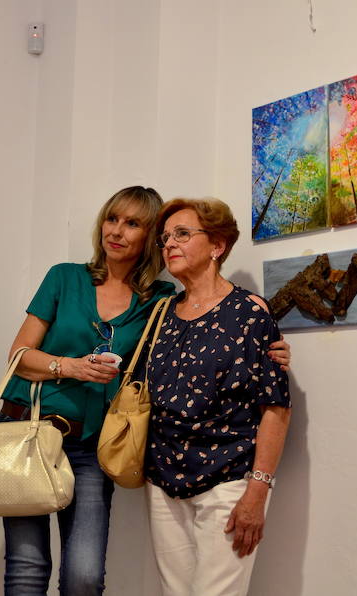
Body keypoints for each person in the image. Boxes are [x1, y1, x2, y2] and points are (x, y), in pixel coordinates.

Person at [0, 187, 292, 595]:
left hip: (95, 445)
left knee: (83, 576)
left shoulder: (162, 300)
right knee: (28, 567)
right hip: (31, 430)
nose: (117, 231)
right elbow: (18, 354)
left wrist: (272, 349)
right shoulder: (77, 281)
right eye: (112, 218)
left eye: (133, 223)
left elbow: (258, 383)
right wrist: (71, 367)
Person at [143, 198, 292, 596]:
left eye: (182, 234)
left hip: (228, 482)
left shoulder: (250, 313)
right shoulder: (161, 314)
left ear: (217, 246)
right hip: (162, 481)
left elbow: (275, 409)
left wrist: (258, 491)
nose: (169, 244)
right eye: (165, 238)